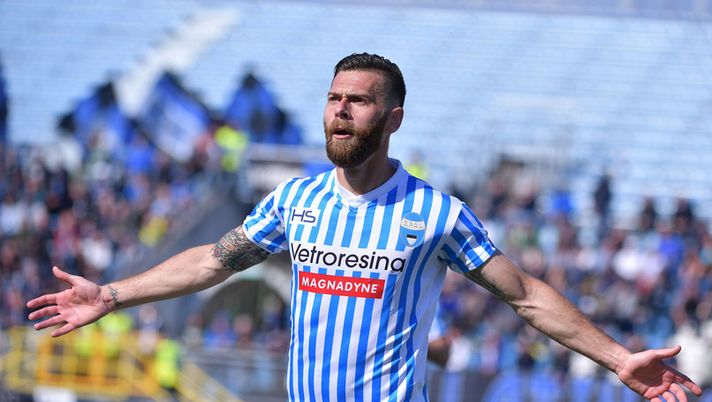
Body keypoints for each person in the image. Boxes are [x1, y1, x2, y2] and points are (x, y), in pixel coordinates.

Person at [28, 53, 702, 402]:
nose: (340, 112)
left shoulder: (435, 214)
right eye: (333, 98)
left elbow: (524, 295)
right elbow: (211, 260)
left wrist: (619, 359)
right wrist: (110, 294)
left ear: (393, 118)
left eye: (358, 101)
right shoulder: (296, 202)